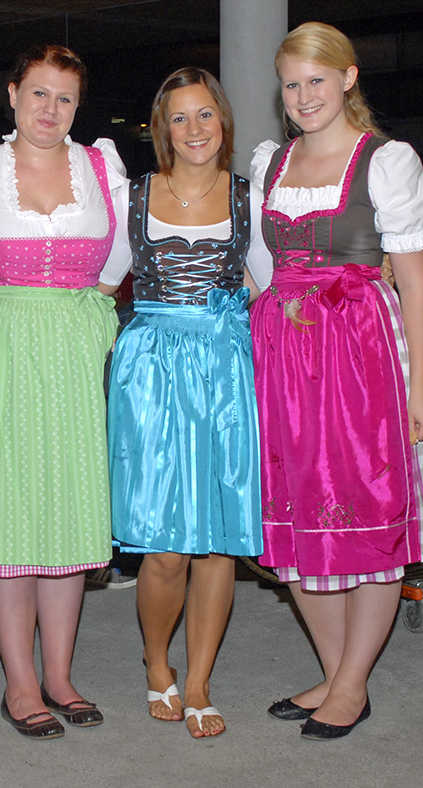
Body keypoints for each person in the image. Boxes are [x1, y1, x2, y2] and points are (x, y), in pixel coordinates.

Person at [249, 22, 423, 741]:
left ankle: (351, 682)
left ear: (348, 78)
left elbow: (417, 284)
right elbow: (262, 269)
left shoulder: (385, 162)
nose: (304, 96)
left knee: (367, 516)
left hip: (359, 354)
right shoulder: (271, 163)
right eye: (291, 83)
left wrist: (420, 387)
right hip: (282, 356)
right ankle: (339, 676)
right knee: (293, 516)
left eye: (316, 80)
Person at [0, 45, 125, 740]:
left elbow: (120, 261)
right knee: (10, 516)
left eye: (65, 97)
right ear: (12, 95)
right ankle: (19, 682)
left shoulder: (101, 166)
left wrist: (87, 317)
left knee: (68, 515)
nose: (51, 109)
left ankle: (60, 676)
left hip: (76, 352)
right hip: (5, 352)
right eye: (39, 93)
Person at [98, 67, 272, 739]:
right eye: (180, 117)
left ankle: (198, 680)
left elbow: (272, 287)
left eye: (205, 114)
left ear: (222, 121)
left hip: (224, 371)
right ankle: (155, 661)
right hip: (150, 373)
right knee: (165, 546)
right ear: (161, 129)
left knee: (218, 544)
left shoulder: (250, 198)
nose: (194, 129)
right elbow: (102, 284)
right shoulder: (134, 197)